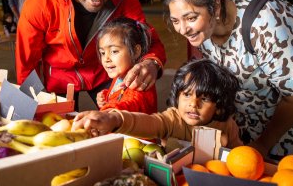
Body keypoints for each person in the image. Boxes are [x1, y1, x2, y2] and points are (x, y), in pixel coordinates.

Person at [164, 0, 293, 159]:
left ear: (215, 8)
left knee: (279, 170)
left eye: (191, 18)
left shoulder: (266, 25)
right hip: (257, 105)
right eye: (175, 21)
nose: (183, 29)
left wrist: (263, 144)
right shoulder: (204, 32)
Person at [16, 0, 166, 110]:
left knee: (126, 123)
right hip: (59, 78)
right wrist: (27, 107)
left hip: (104, 72)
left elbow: (148, 38)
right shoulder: (40, 2)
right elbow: (27, 63)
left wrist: (151, 63)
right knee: (60, 129)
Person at [72, 59, 243, 149]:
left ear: (219, 105)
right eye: (187, 95)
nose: (193, 104)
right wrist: (115, 119)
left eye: (204, 99)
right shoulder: (173, 119)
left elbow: (240, 158)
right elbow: (149, 122)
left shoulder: (227, 125)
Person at [96, 17, 157, 114]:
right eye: (102, 53)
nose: (106, 59)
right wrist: (105, 95)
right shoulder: (120, 76)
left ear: (136, 51)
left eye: (114, 51)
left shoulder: (139, 81)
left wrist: (107, 112)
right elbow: (119, 96)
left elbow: (131, 105)